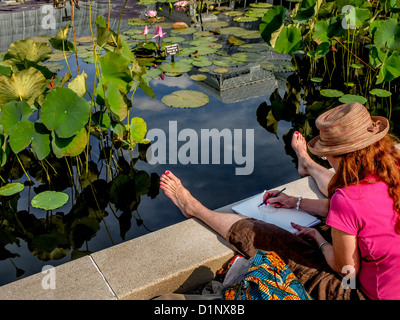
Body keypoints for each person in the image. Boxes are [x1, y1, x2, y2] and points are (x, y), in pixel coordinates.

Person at [159, 102, 400, 300]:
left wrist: (318, 241)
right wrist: (295, 202)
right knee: (340, 193)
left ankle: (194, 208)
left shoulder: (346, 200)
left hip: (363, 294)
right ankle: (308, 164)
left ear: (341, 155)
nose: (328, 158)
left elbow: (346, 269)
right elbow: (358, 212)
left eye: (327, 155)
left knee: (268, 235)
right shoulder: (393, 168)